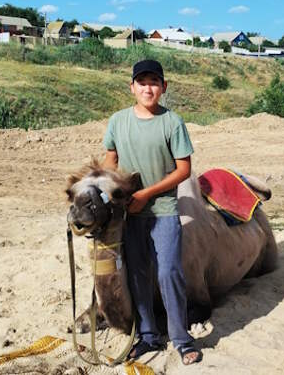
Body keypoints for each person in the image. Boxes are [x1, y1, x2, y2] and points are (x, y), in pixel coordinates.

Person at [102, 59, 202, 365]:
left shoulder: (173, 122)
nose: (148, 88)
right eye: (142, 82)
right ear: (131, 87)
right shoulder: (118, 121)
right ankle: (148, 336)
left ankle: (182, 339)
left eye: (154, 82)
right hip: (130, 214)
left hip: (164, 210)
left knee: (169, 272)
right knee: (138, 274)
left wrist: (147, 193)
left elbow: (184, 169)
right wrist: (113, 187)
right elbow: (110, 158)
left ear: (164, 87)